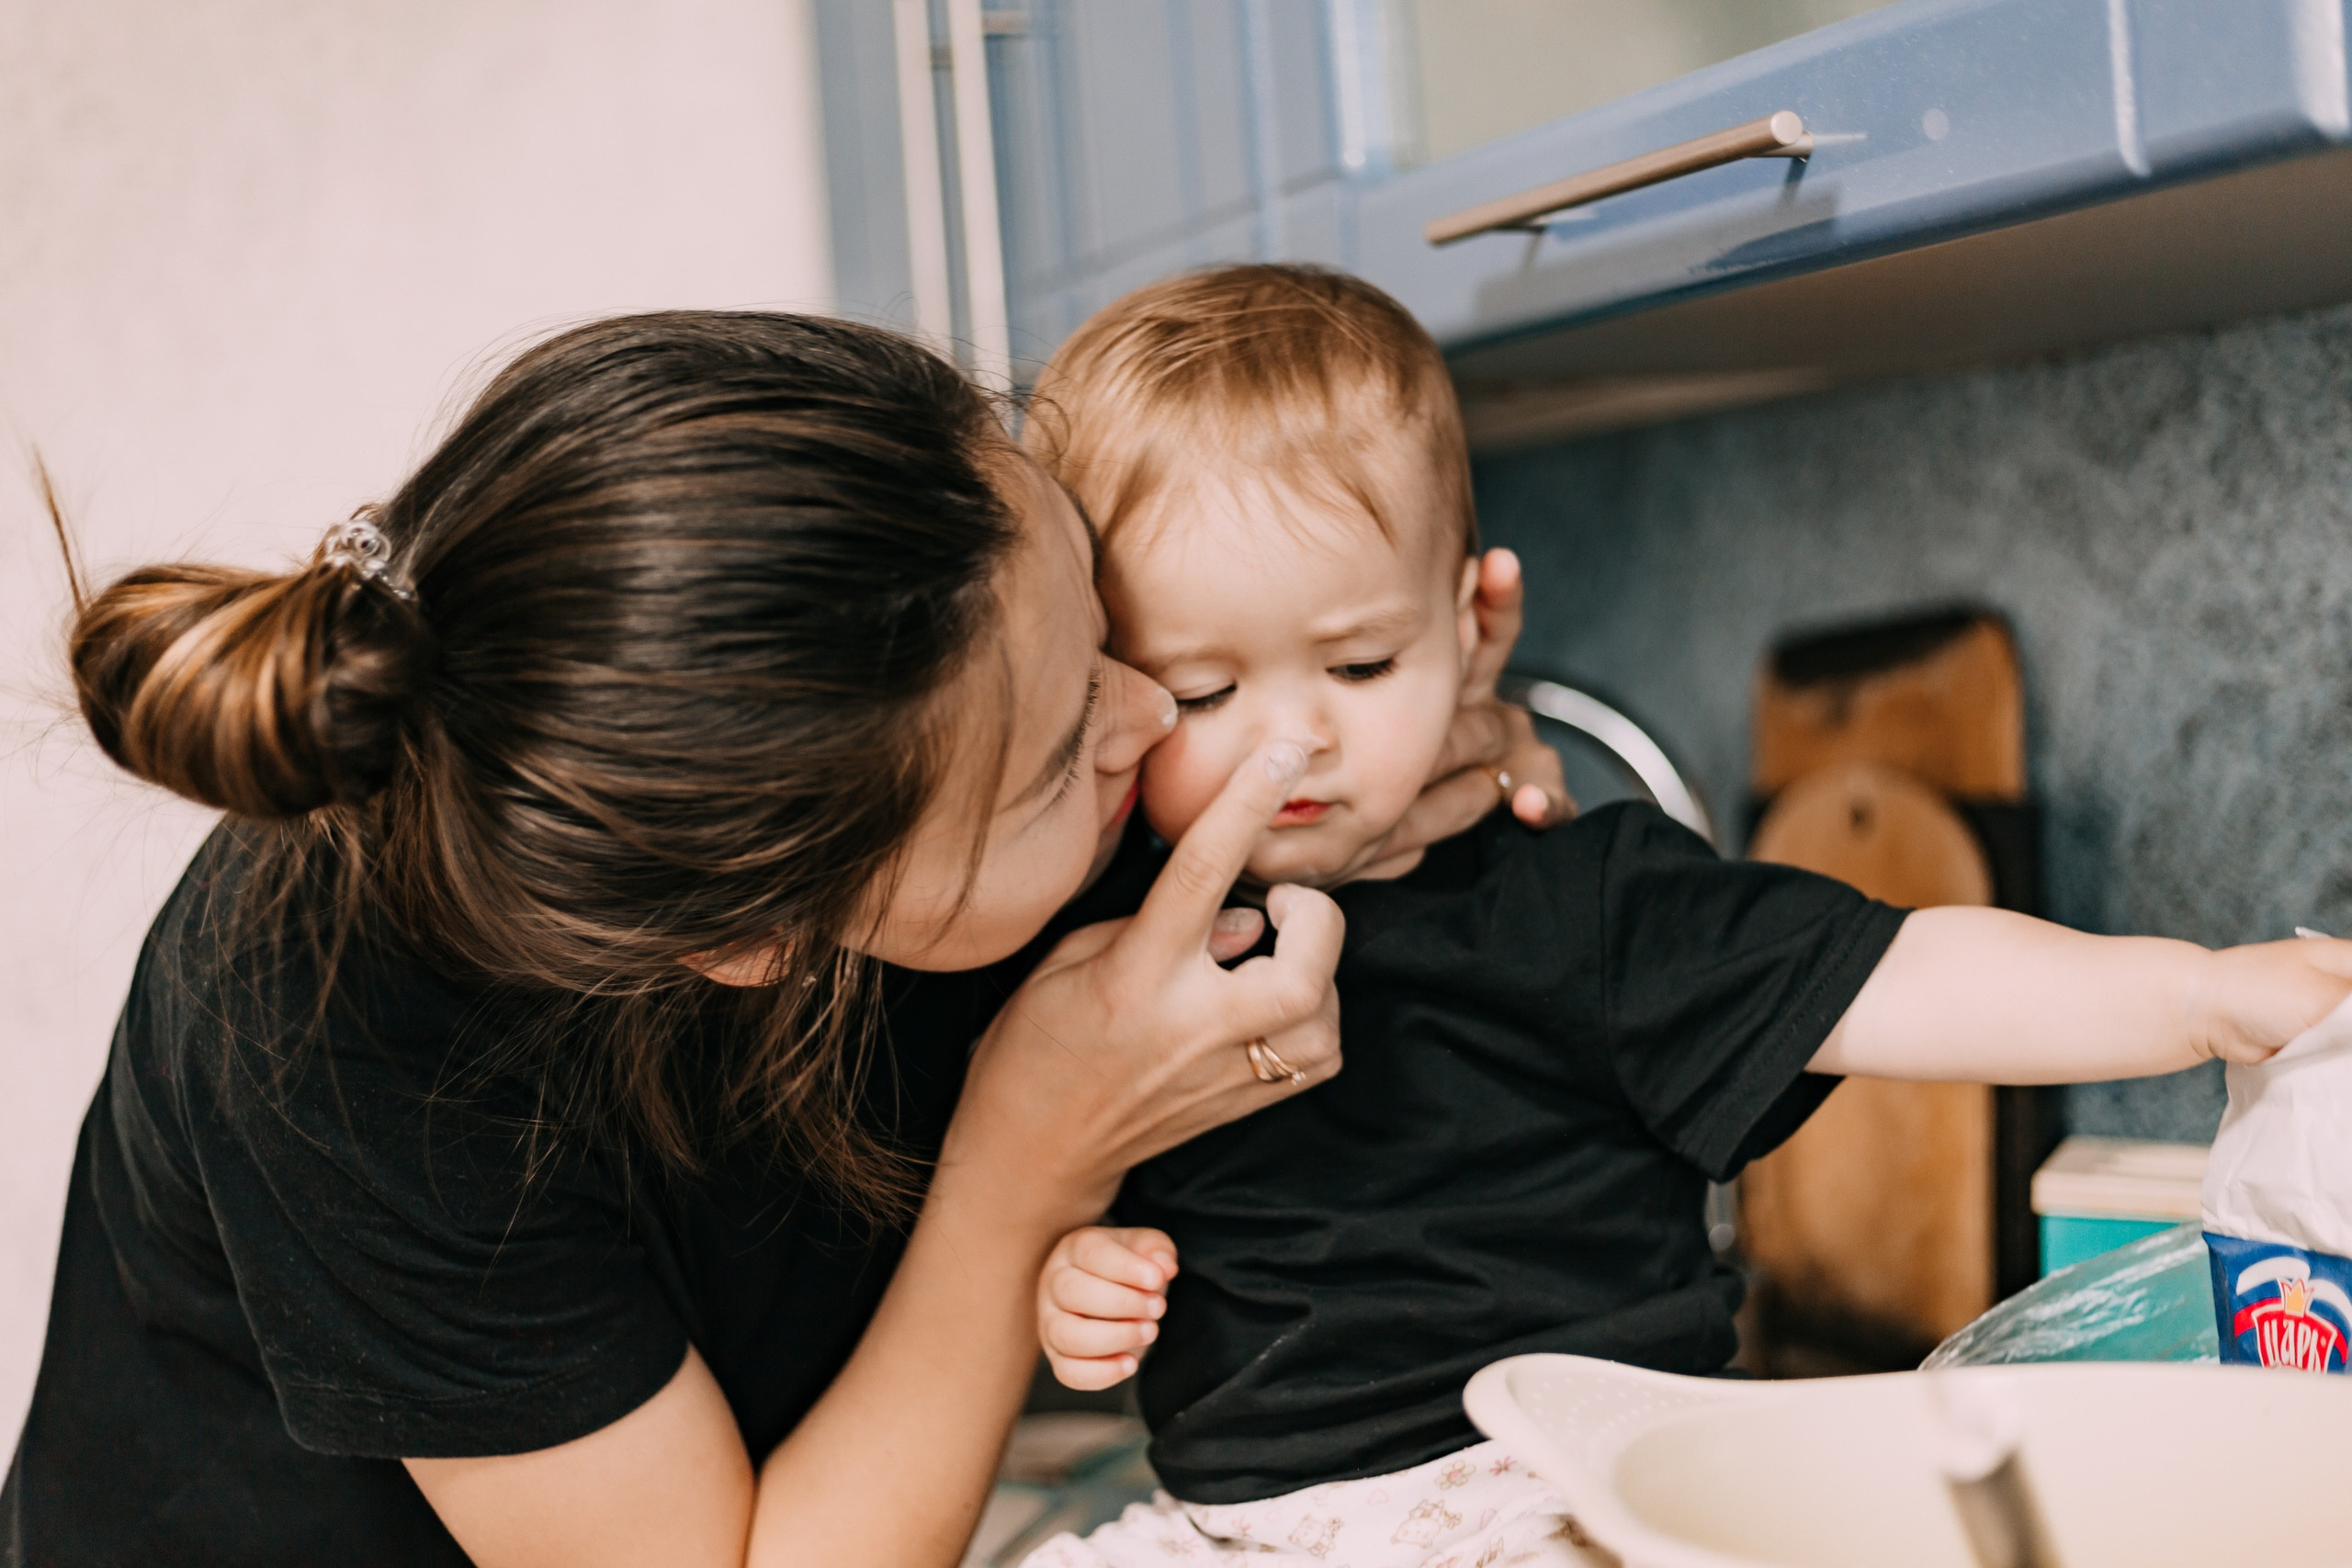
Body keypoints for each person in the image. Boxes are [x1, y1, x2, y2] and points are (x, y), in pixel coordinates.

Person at [2, 310, 1571, 1568]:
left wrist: (1388, 766)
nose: (1149, 716)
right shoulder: (328, 1026)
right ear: (763, 942)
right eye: (1055, 765)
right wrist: (1032, 1154)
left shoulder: (929, 672)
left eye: (1102, 621)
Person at [1015, 265, 2352, 1568]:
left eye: (1360, 664)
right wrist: (1074, 1281)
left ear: (1478, 627)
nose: (1290, 740)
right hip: (1236, 1530)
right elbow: (1078, 1201)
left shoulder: (1587, 902)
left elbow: (1901, 975)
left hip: (1555, 1494)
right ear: (1103, 684)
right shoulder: (1101, 956)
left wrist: (2194, 995)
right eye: (1199, 691)